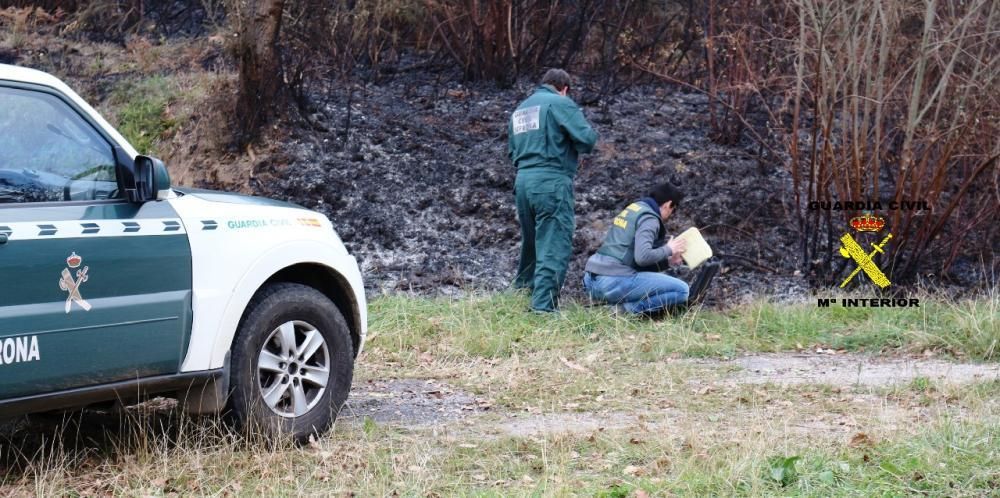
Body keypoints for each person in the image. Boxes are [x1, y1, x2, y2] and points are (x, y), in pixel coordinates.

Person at [509, 68, 598, 313]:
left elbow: (511, 151)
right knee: (553, 243)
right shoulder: (560, 102)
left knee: (532, 243)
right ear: (565, 88)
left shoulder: (521, 109)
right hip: (551, 181)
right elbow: (587, 139)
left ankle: (522, 294)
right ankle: (543, 308)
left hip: (523, 181)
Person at [584, 182, 705, 315]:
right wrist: (669, 249)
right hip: (612, 283)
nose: (671, 214)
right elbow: (642, 258)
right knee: (682, 290)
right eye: (673, 209)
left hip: (591, 281)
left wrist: (668, 261)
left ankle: (611, 307)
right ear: (668, 204)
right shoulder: (650, 219)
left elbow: (631, 259)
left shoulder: (633, 209)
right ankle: (623, 311)